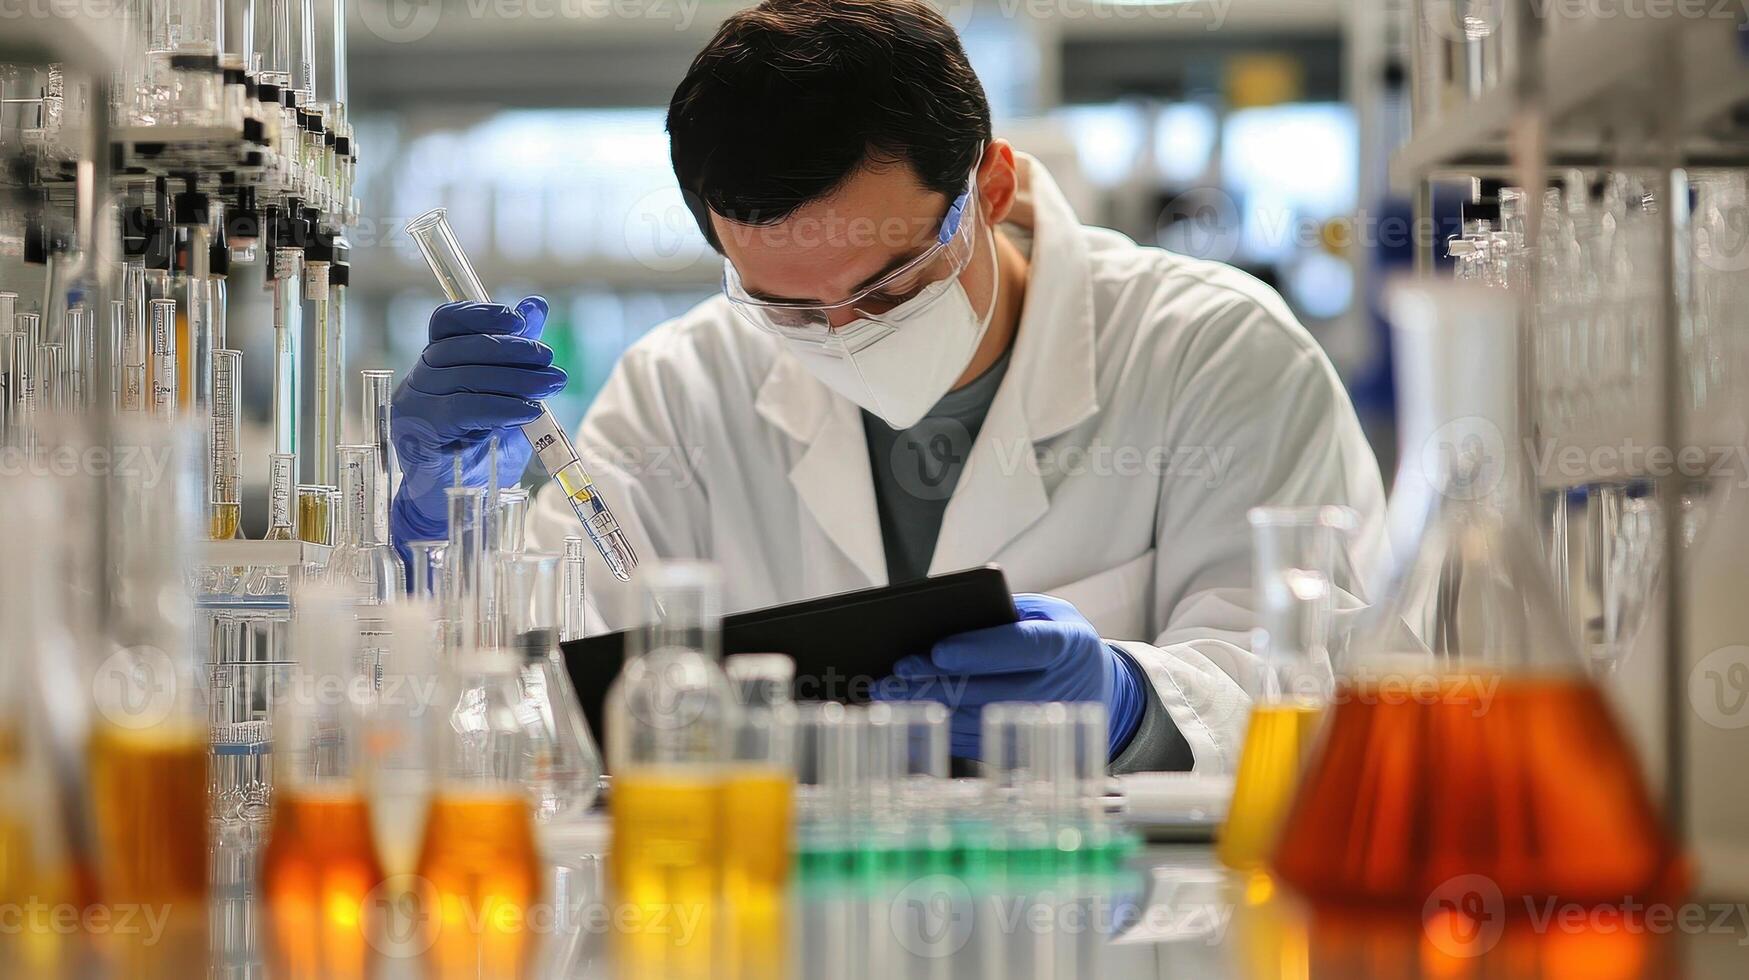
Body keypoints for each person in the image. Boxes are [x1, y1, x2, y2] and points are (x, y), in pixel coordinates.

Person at [389, 0, 1386, 772]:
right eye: (788, 308)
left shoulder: (1220, 357)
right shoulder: (681, 389)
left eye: (888, 286)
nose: (842, 335)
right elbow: (531, 695)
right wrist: (450, 535)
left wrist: (1137, 698)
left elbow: (1334, 683)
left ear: (988, 188)